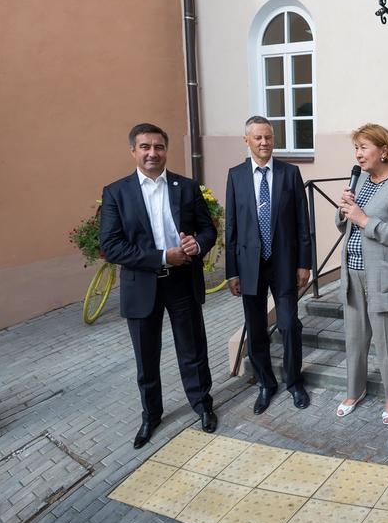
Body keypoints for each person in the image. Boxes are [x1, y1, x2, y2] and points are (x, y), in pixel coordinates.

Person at [100, 123, 218, 449]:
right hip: (142, 288)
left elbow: (208, 230)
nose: (153, 153)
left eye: (158, 147)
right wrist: (164, 256)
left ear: (166, 150)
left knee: (193, 350)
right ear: (133, 151)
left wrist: (198, 245)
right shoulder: (116, 193)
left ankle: (202, 404)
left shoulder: (187, 187)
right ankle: (151, 415)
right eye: (145, 147)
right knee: (146, 357)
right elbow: (112, 246)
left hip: (182, 283)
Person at [225, 116, 312, 413]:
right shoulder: (235, 176)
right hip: (250, 265)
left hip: (285, 263)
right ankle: (266, 383)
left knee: (288, 325)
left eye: (269, 138)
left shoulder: (290, 173)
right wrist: (232, 271)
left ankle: (294, 381)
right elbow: (231, 228)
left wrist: (304, 263)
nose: (264, 143)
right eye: (258, 138)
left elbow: (303, 222)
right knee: (256, 329)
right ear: (247, 140)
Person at [335, 123, 388, 425]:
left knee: (387, 342)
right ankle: (353, 391)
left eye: (364, 147)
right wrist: (344, 207)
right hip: (353, 274)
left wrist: (363, 218)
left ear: (383, 150)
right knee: (354, 340)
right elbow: (344, 224)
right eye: (356, 148)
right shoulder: (360, 181)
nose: (358, 154)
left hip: (385, 277)